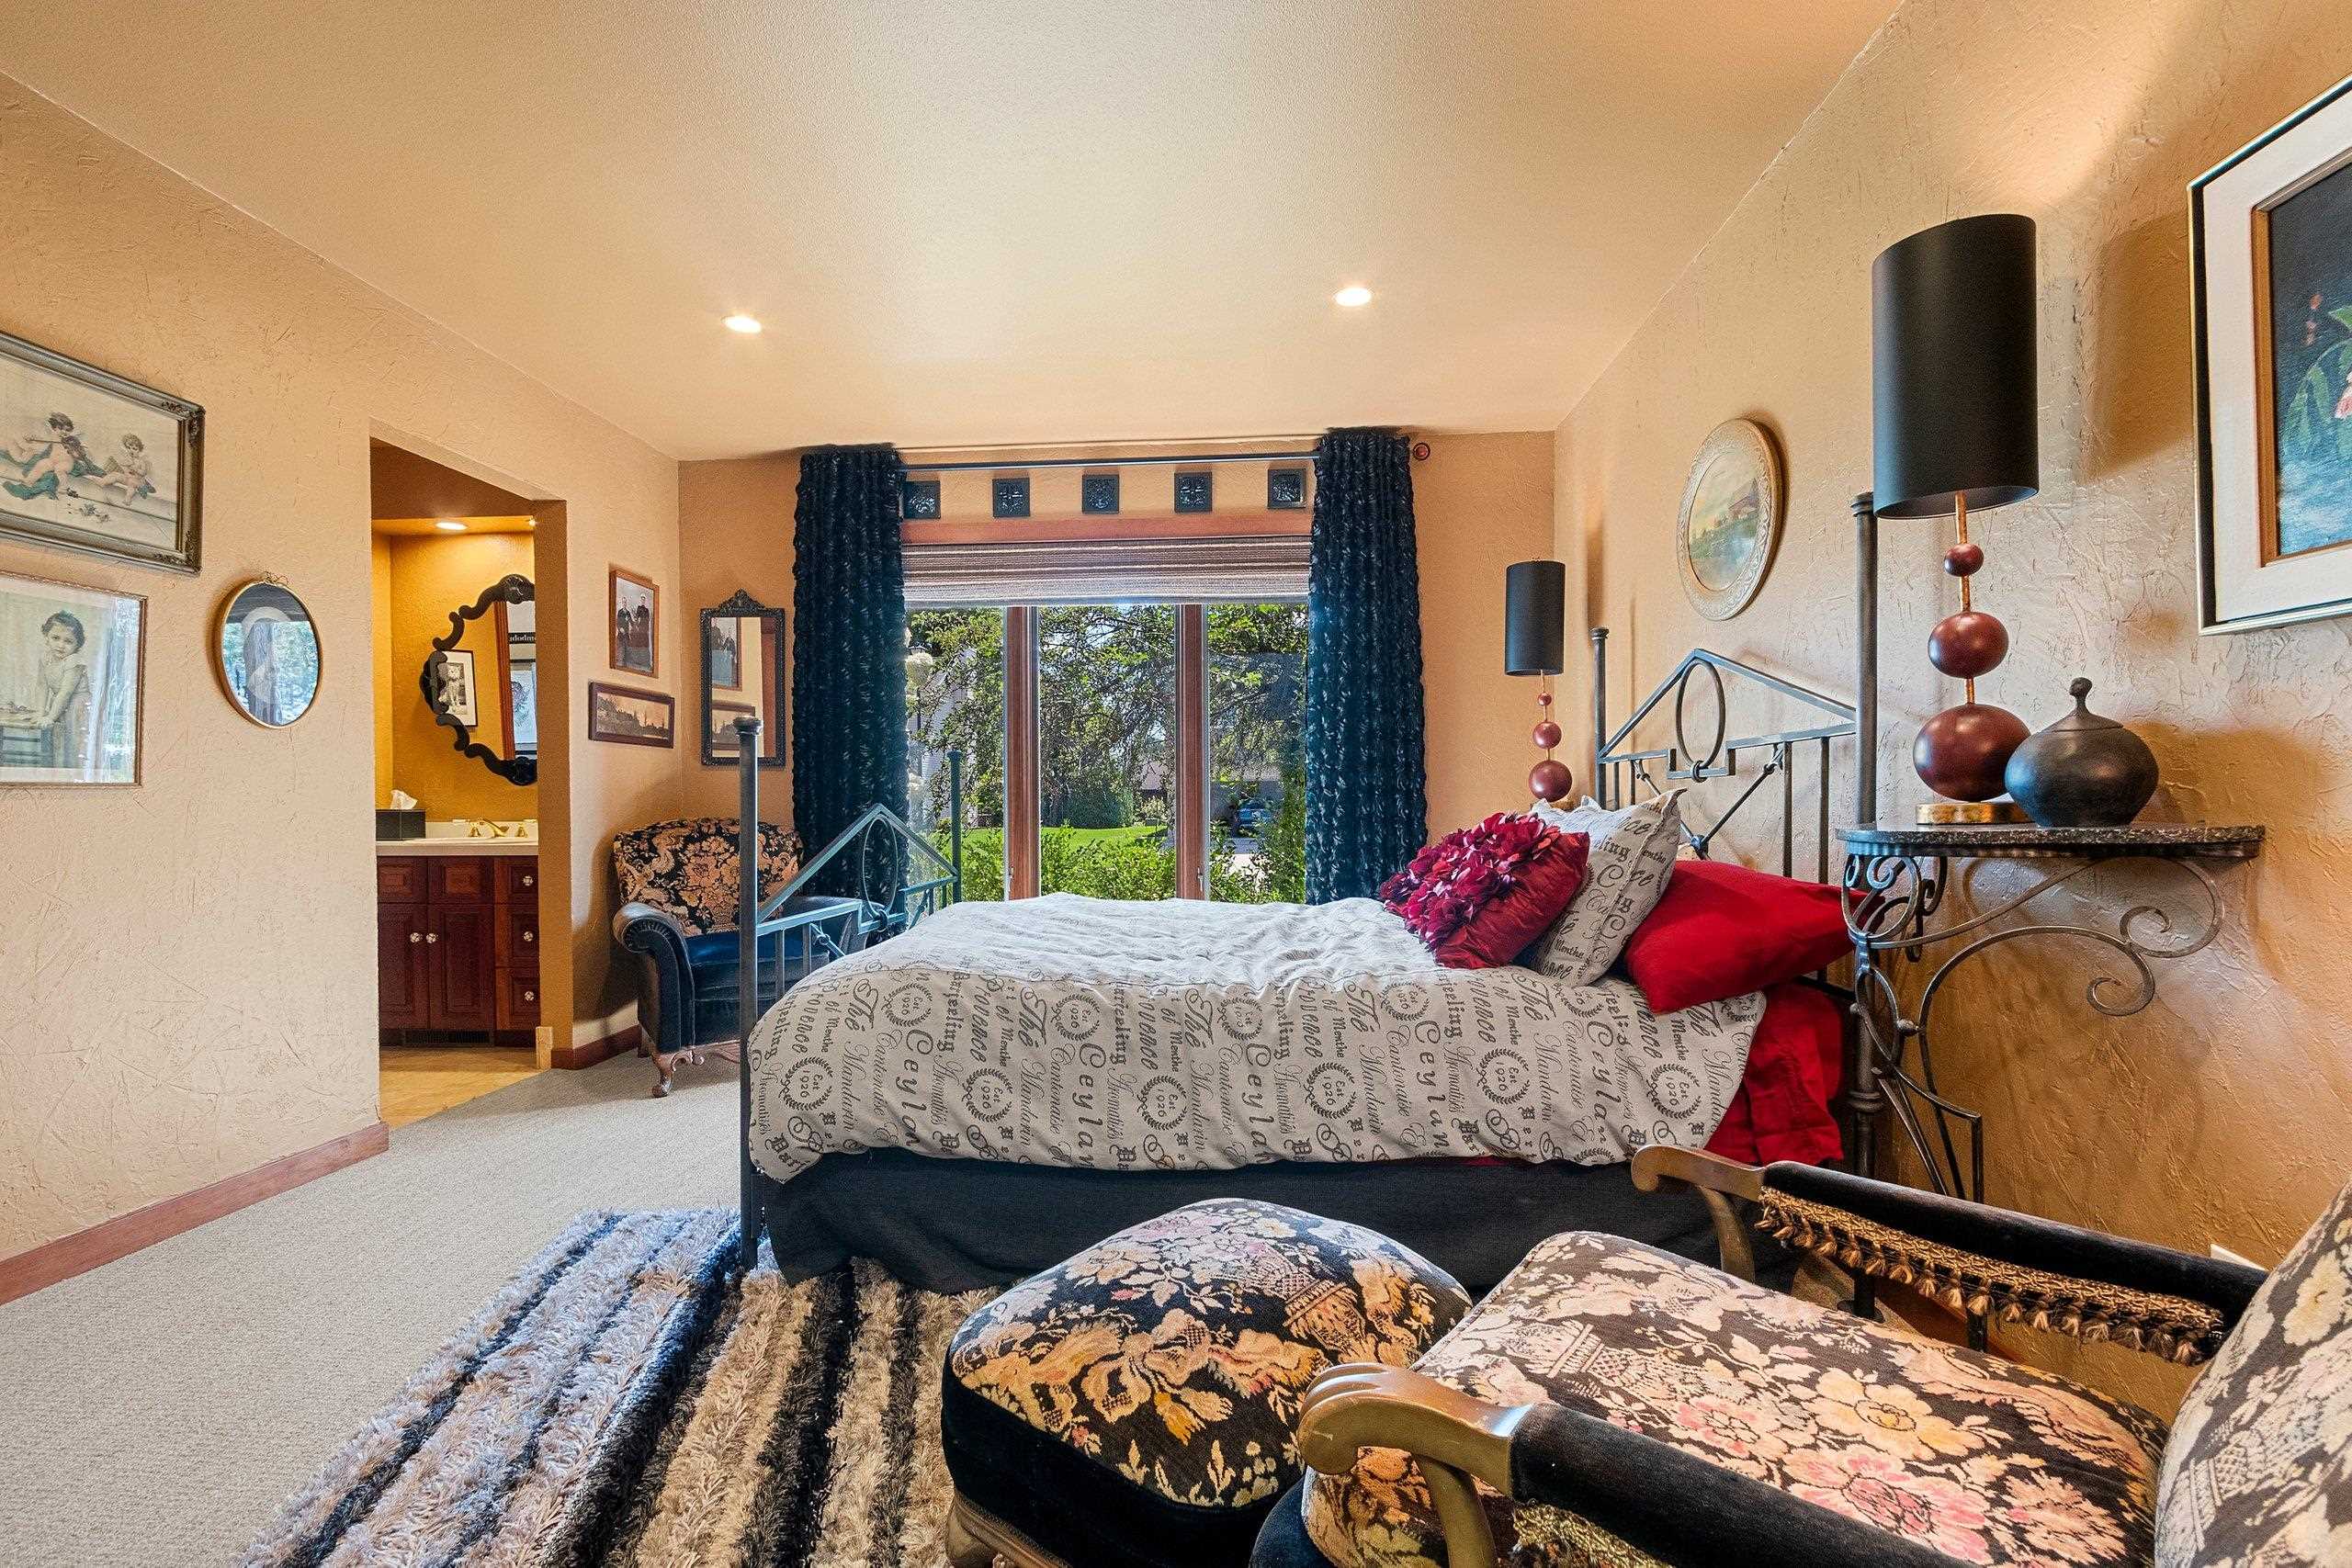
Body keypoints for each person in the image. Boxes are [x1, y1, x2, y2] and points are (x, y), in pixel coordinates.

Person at [2, 609, 94, 770]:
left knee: (74, 743)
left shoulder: (74, 661)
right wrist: (40, 712)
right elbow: (42, 685)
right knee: (59, 741)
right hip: (60, 704)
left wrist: (50, 716)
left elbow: (66, 692)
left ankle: (74, 774)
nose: (61, 645)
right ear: (46, 637)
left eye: (68, 641)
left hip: (77, 707)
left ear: (77, 645)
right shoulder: (46, 657)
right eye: (55, 638)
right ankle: (57, 772)